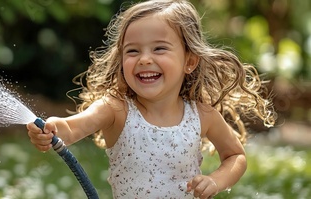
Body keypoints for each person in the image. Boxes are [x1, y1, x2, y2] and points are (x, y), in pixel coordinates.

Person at [26, 0, 276, 198]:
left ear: (189, 61)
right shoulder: (116, 108)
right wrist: (51, 129)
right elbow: (72, 127)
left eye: (159, 48)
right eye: (133, 51)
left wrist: (215, 181)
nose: (144, 59)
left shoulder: (201, 114)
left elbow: (235, 156)